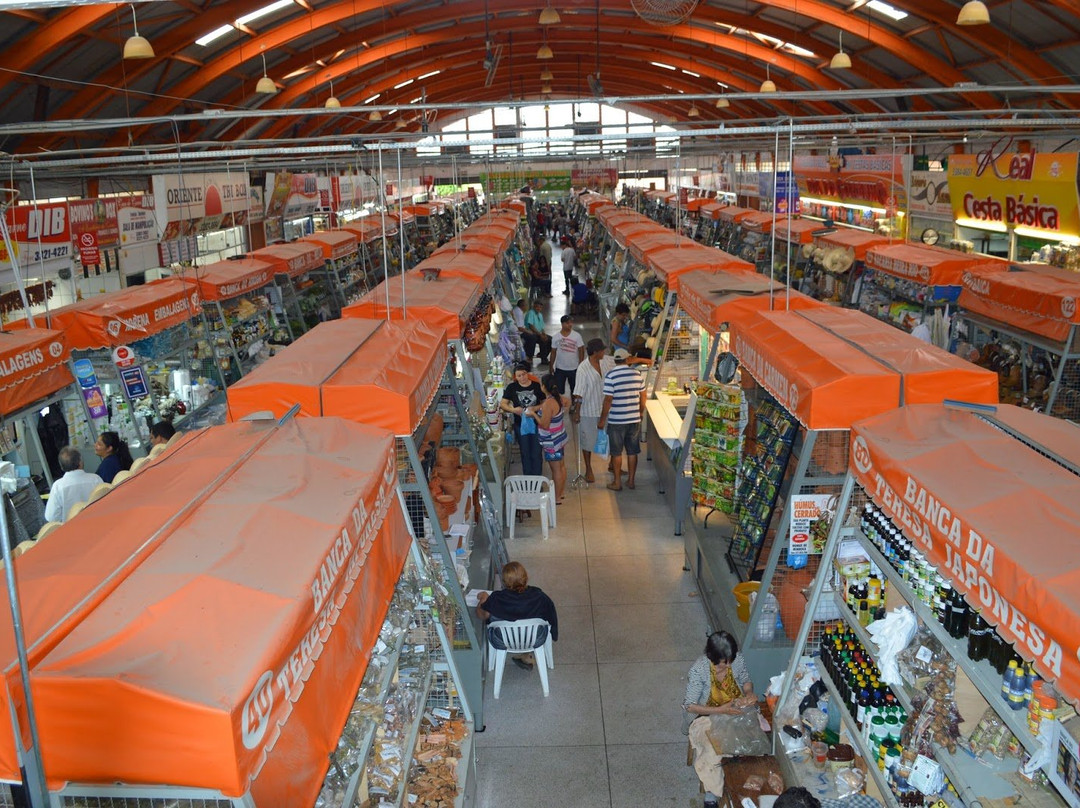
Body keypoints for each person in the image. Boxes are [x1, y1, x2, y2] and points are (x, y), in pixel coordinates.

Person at [684, 630, 757, 808]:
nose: (728, 667)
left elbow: (746, 679)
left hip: (734, 710)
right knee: (714, 751)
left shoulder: (735, 659)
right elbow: (690, 705)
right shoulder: (699, 670)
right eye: (724, 664)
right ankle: (711, 794)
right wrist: (720, 710)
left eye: (730, 662)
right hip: (706, 716)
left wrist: (748, 693)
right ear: (712, 658)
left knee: (754, 743)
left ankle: (740, 785)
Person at [476, 560, 558, 671]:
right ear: (526, 577)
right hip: (535, 639)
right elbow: (551, 616)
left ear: (504, 582)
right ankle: (526, 653)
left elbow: (482, 615)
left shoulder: (496, 598)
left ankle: (520, 655)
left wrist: (483, 599)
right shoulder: (539, 596)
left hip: (503, 640)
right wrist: (554, 633)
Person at [597, 349, 646, 491]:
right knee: (632, 451)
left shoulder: (610, 375)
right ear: (627, 359)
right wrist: (640, 412)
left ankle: (617, 482)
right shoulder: (637, 374)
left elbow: (608, 400)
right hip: (633, 419)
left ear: (615, 360)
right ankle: (631, 481)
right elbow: (643, 396)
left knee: (616, 452)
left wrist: (602, 420)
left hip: (616, 420)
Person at [571, 338, 615, 484]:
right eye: (602, 350)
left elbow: (622, 360)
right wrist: (577, 412)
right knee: (587, 440)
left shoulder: (605, 361)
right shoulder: (583, 369)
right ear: (596, 352)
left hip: (604, 409)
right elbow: (578, 393)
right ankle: (588, 469)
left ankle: (612, 464)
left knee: (609, 438)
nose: (604, 352)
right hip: (588, 410)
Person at [500, 362, 545, 477]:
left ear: (527, 374)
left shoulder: (535, 386)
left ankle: (537, 478)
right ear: (515, 377)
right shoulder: (512, 387)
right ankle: (528, 478)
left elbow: (545, 402)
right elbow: (503, 404)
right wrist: (514, 410)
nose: (522, 378)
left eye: (524, 374)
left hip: (536, 424)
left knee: (536, 452)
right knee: (525, 452)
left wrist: (535, 408)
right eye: (519, 376)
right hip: (520, 425)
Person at [531, 374, 570, 504]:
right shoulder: (559, 398)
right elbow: (568, 403)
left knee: (556, 469)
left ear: (543, 387)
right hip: (559, 437)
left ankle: (556, 498)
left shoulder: (549, 403)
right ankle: (561, 492)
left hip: (551, 442)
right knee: (561, 465)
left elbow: (544, 424)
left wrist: (533, 414)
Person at [43, 447, 104, 524]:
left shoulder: (58, 486)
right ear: (80, 462)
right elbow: (106, 504)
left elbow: (51, 517)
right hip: (97, 525)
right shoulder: (96, 479)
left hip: (71, 531)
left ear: (61, 467)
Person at [549, 314, 585, 396]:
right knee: (559, 390)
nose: (570, 324)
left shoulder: (577, 336)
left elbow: (581, 350)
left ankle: (574, 406)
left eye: (571, 322)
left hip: (574, 368)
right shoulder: (556, 337)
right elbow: (553, 352)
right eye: (568, 323)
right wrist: (551, 366)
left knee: (575, 389)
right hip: (560, 368)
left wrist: (581, 364)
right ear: (562, 324)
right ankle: (560, 406)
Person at [523, 299, 552, 365]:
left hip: (539, 333)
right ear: (534, 307)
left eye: (540, 307)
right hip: (531, 333)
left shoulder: (540, 315)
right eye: (537, 307)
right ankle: (544, 359)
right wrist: (540, 335)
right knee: (543, 341)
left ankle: (542, 354)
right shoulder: (531, 313)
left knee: (550, 340)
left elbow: (542, 327)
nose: (538, 308)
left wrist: (543, 334)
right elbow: (531, 326)